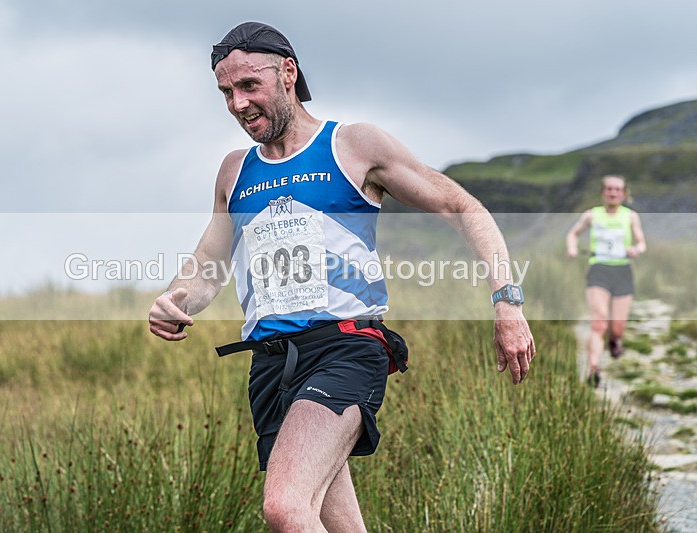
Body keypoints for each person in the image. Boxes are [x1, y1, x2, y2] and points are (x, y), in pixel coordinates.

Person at [149, 21, 536, 532]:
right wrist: (174, 301)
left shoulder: (352, 146)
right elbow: (208, 266)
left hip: (343, 349)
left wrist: (507, 300)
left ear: (288, 73)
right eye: (226, 92)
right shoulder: (233, 171)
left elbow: (462, 206)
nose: (237, 104)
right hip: (269, 365)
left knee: (285, 509)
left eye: (248, 86)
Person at [566, 175, 646, 388]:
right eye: (609, 189)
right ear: (602, 192)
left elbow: (641, 243)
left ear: (623, 193)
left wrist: (635, 249)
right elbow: (573, 234)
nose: (613, 192)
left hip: (622, 270)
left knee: (617, 328)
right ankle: (594, 369)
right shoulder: (592, 215)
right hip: (598, 270)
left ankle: (615, 339)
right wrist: (572, 248)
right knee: (599, 322)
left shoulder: (630, 217)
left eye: (617, 189)